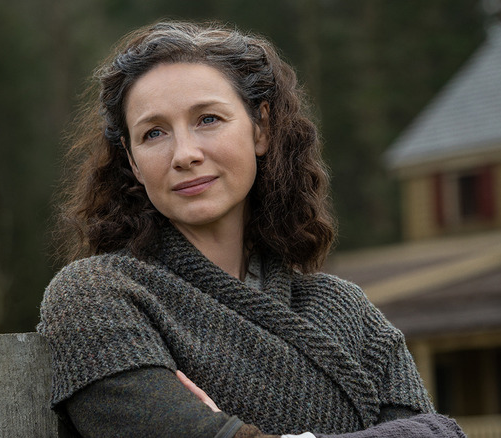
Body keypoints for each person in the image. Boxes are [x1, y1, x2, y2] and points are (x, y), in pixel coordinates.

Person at [37, 20, 465, 438]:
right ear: (132, 161)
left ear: (260, 128)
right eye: (153, 133)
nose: (185, 154)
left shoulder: (345, 311)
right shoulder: (95, 295)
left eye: (208, 119)